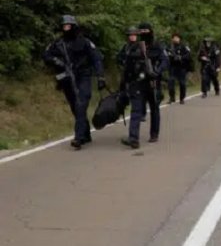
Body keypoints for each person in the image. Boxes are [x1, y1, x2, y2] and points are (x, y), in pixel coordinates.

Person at [42, 15, 105, 149]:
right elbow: (46, 55)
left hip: (83, 76)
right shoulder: (58, 43)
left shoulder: (84, 42)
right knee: (75, 107)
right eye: (64, 26)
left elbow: (96, 59)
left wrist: (100, 77)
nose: (66, 29)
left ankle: (78, 137)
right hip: (67, 78)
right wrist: (57, 61)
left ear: (74, 27)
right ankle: (86, 134)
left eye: (68, 26)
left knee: (81, 104)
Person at [120, 22, 168, 149]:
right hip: (138, 82)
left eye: (146, 30)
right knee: (136, 109)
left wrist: (156, 71)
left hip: (153, 82)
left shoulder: (158, 46)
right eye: (141, 30)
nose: (144, 32)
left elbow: (165, 61)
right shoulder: (134, 46)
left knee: (154, 108)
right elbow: (126, 64)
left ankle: (154, 134)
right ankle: (133, 138)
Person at [167, 33, 192, 104]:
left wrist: (181, 57)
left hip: (181, 67)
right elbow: (165, 54)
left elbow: (189, 55)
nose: (175, 39)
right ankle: (172, 98)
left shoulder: (184, 46)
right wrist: (170, 56)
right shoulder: (169, 46)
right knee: (170, 82)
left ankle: (182, 98)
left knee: (182, 83)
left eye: (177, 38)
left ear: (179, 38)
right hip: (172, 67)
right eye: (174, 37)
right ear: (172, 39)